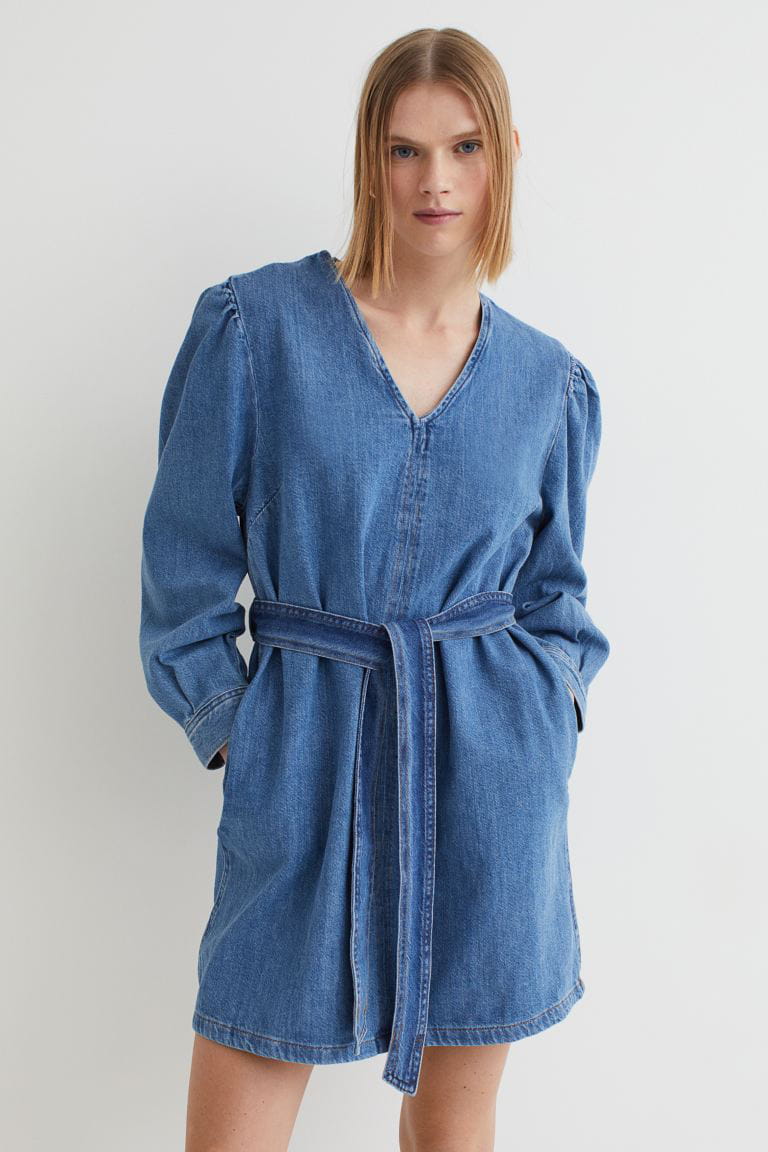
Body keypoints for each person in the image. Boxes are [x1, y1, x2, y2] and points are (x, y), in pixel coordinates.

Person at [139, 26, 610, 1152]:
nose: (435, 180)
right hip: (302, 762)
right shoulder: (257, 328)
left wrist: (546, 716)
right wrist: (239, 734)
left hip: (491, 782)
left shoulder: (548, 382)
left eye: (464, 147)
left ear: (504, 157)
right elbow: (182, 568)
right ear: (370, 159)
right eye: (405, 150)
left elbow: (557, 598)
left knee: (452, 1132)